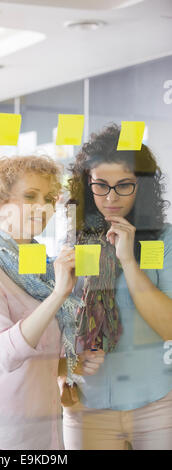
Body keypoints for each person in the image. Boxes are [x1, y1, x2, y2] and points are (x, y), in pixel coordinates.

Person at [0, 155, 105, 450]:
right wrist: (58, 294)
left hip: (45, 432)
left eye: (49, 198)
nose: (43, 207)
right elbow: (3, 356)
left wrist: (75, 362)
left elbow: (44, 354)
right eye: (30, 196)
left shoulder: (41, 269)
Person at [60, 124, 172, 450]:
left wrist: (128, 261)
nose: (110, 198)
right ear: (86, 184)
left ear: (142, 186)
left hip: (155, 401)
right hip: (87, 404)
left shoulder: (164, 239)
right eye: (100, 185)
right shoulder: (74, 241)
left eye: (124, 185)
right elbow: (61, 325)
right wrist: (67, 365)